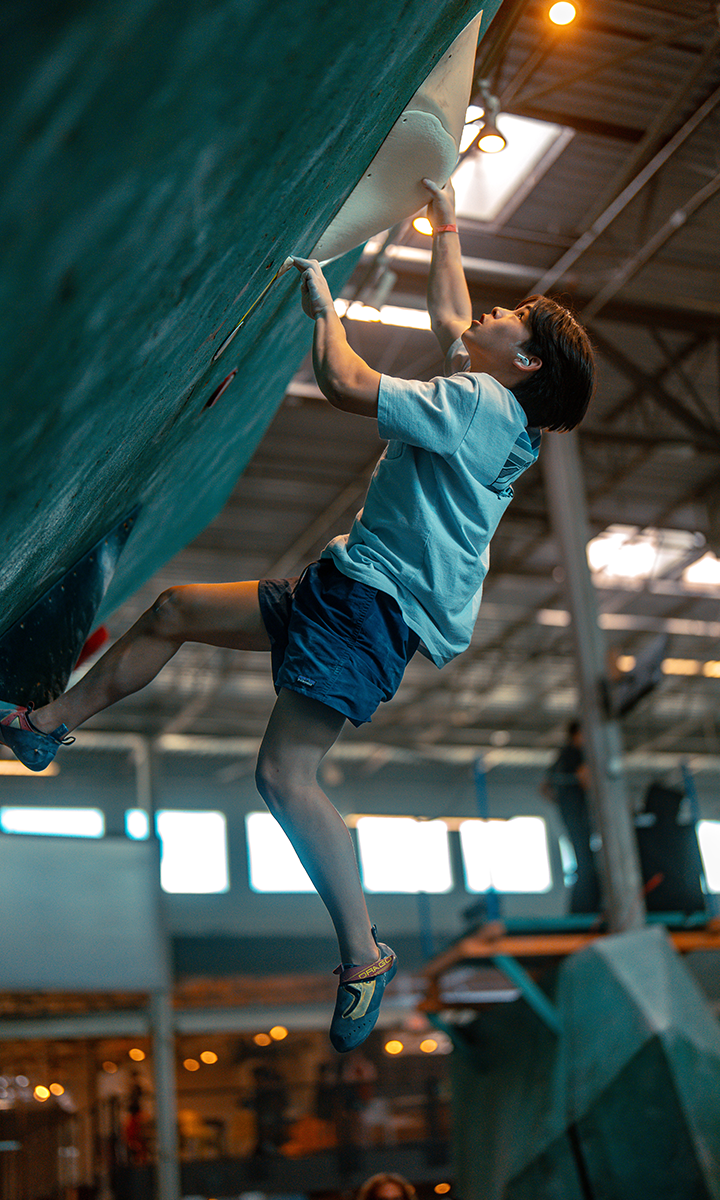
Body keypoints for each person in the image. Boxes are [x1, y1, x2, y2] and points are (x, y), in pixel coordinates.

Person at [0, 178, 596, 1052]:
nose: (493, 313)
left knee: (285, 779)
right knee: (174, 612)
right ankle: (46, 727)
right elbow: (452, 317)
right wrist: (446, 226)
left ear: (528, 360)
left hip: (372, 611)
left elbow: (345, 382)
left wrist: (326, 303)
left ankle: (363, 956)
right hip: (352, 588)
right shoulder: (507, 415)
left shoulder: (479, 405)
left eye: (514, 315)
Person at [542, 719, 601, 913]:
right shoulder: (576, 753)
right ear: (578, 734)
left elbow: (544, 788)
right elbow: (586, 780)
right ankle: (585, 908)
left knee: (583, 859)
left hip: (569, 814)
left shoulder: (560, 756)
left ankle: (581, 907)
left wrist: (563, 802)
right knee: (586, 862)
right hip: (578, 815)